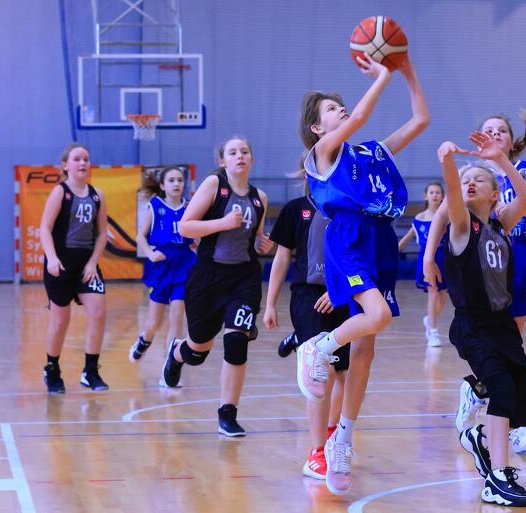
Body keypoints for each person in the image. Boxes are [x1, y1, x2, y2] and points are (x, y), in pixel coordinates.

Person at [296, 53, 429, 494]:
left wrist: (409, 73)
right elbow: (361, 115)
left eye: (341, 107)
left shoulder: (372, 152)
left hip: (381, 239)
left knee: (366, 352)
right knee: (379, 316)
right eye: (332, 110)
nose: (342, 111)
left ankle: (343, 440)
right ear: (318, 128)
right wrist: (385, 73)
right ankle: (318, 347)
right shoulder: (322, 153)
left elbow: (421, 120)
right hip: (349, 237)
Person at [424, 132, 526, 507]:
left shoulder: (501, 226)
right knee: (503, 391)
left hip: (503, 326)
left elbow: (524, 195)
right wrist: (448, 161)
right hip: (473, 326)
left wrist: (500, 160)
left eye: (479, 179)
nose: (470, 182)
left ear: (495, 195)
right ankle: (497, 477)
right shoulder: (462, 226)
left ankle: (480, 436)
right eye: (466, 180)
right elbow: (452, 192)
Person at [445, 112, 526, 453]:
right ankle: (499, 440)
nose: (495, 134)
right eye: (489, 130)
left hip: (514, 259)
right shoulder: (467, 199)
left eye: (501, 130)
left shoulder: (517, 185)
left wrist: (504, 174)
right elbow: (449, 202)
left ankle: (494, 415)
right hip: (474, 284)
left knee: (512, 351)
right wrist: (426, 258)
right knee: (497, 368)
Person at [159, 136, 273, 437]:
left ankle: (227, 414)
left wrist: (263, 244)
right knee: (198, 350)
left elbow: (255, 239)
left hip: (244, 278)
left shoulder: (259, 198)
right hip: (208, 277)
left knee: (236, 342)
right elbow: (185, 227)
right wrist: (222, 223)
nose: (240, 156)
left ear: (252, 159)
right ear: (223, 161)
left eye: (245, 151)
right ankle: (177, 353)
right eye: (232, 152)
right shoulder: (214, 185)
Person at [263, 172, 350, 480]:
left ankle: (332, 435)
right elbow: (281, 258)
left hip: (344, 294)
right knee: (320, 372)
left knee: (344, 372)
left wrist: (340, 290)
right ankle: (316, 453)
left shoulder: (351, 209)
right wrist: (270, 303)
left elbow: (357, 256)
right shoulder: (295, 209)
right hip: (308, 296)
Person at [40, 143, 108, 393]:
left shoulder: (98, 194)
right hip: (60, 263)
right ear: (65, 165)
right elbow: (45, 228)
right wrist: (52, 258)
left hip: (86, 265)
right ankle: (52, 369)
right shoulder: (60, 192)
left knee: (98, 312)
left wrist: (92, 262)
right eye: (77, 159)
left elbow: (102, 234)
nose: (83, 163)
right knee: (60, 321)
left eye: (86, 159)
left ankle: (90, 371)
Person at [129, 167, 195, 363]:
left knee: (178, 315)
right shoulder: (155, 206)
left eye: (180, 180)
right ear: (163, 186)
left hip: (184, 262)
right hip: (162, 263)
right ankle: (144, 339)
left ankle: (170, 364)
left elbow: (198, 236)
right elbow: (141, 236)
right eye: (171, 180)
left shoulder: (190, 207)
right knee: (154, 322)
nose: (176, 184)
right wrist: (150, 253)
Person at [398, 182, 448, 347]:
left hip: (444, 258)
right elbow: (406, 239)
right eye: (432, 192)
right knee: (433, 293)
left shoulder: (446, 217)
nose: (435, 195)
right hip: (427, 258)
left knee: (443, 295)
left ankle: (429, 319)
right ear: (425, 196)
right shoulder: (419, 219)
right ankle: (433, 331)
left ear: (442, 196)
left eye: (438, 192)